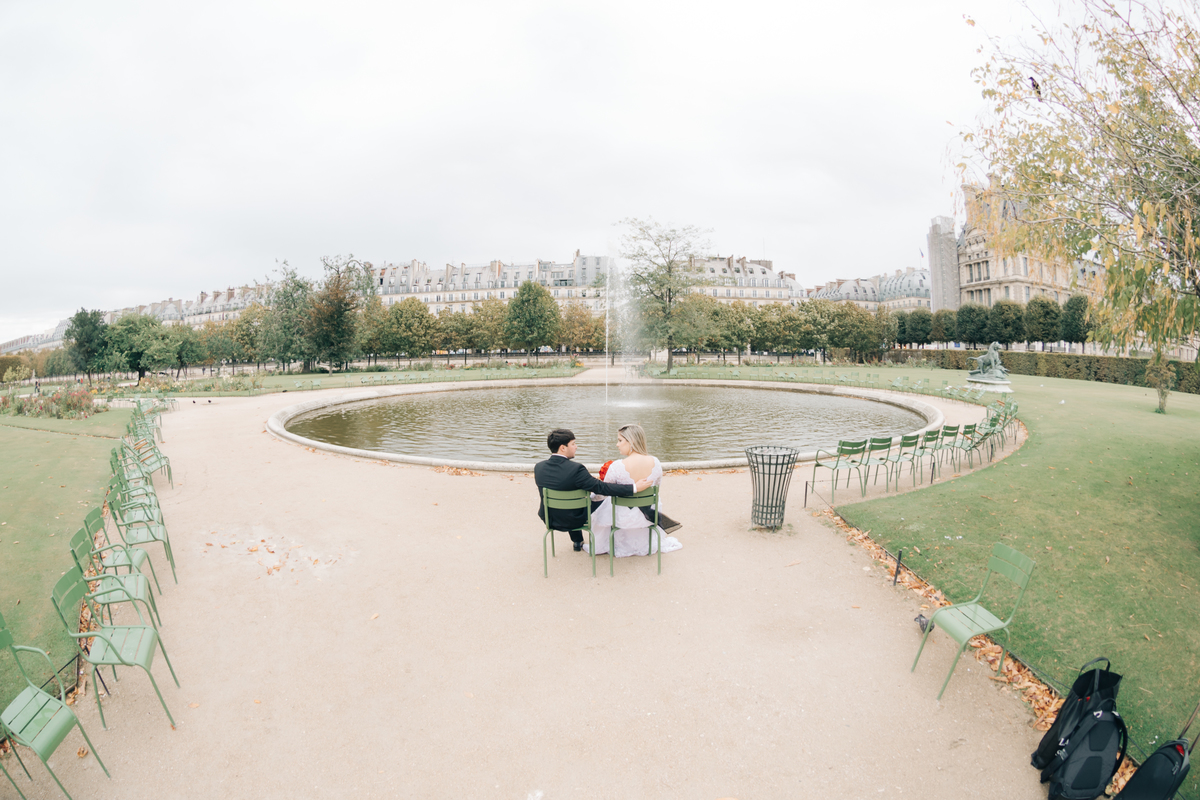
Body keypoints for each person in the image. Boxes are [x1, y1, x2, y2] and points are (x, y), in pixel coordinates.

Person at [534, 429, 651, 552]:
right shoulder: (576, 469)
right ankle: (612, 539)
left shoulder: (539, 467)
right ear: (563, 448)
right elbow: (602, 488)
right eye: (573, 444)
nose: (576, 447)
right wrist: (634, 488)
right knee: (603, 497)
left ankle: (577, 540)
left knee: (567, 498)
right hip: (576, 520)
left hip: (550, 518)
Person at [589, 424, 683, 558]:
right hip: (647, 516)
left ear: (631, 441)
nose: (617, 444)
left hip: (621, 518)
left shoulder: (617, 467)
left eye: (620, 440)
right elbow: (656, 489)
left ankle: (611, 541)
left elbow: (603, 494)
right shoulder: (655, 462)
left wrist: (590, 497)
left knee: (602, 503)